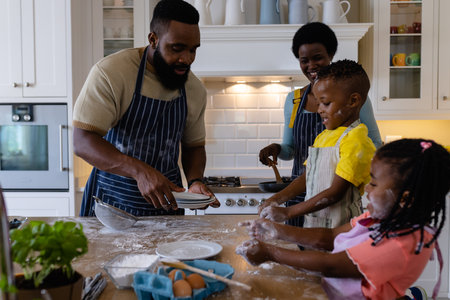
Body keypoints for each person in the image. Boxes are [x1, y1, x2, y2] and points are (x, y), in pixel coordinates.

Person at [237, 138, 450, 300]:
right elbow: (328, 237)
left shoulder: (402, 244)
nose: (367, 188)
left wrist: (270, 253)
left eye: (374, 184)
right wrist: (276, 229)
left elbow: (330, 265)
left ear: (405, 199)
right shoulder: (378, 219)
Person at [73, 0, 219, 216]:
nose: (186, 59)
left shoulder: (194, 89)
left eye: (193, 50)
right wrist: (140, 171)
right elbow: (82, 141)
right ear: (153, 39)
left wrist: (195, 180)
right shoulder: (112, 73)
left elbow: (193, 147)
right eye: (177, 48)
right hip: (112, 207)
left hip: (167, 207)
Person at [259, 22, 382, 228]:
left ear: (331, 55)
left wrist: (351, 164)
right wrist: (277, 150)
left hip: (338, 212)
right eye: (304, 60)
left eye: (318, 58)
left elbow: (374, 145)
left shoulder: (356, 123)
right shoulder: (296, 102)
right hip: (301, 200)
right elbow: (296, 157)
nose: (311, 65)